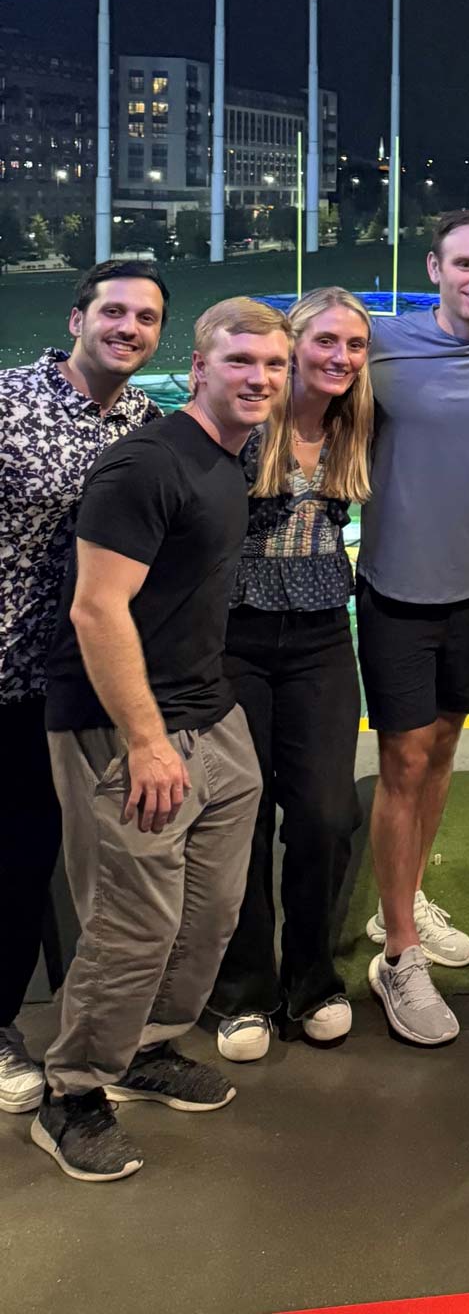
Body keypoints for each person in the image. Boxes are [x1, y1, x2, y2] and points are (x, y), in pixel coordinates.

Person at [32, 297, 289, 1182]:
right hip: (126, 728)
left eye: (273, 365)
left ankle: (144, 1048)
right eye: (240, 361)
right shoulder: (147, 464)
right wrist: (146, 741)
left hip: (211, 716)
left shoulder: (231, 457)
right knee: (132, 925)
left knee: (208, 916)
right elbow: (96, 609)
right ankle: (71, 1093)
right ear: (200, 366)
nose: (259, 378)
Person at [357, 210, 469, 1046]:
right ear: (433, 267)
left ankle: (404, 899)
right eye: (466, 263)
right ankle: (399, 953)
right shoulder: (378, 343)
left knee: (441, 752)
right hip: (395, 590)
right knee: (403, 763)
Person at [0, 262, 166, 1117]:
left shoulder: (148, 424)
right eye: (114, 311)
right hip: (7, 672)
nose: (128, 327)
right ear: (77, 319)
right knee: (11, 859)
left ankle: (96, 1034)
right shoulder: (9, 402)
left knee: (59, 860)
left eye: (146, 317)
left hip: (83, 683)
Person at [208, 289, 372, 1062]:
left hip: (319, 637)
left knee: (325, 814)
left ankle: (311, 978)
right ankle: (243, 991)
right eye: (324, 342)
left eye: (355, 344)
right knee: (242, 816)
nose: (340, 357)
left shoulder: (358, 422)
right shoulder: (244, 419)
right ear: (292, 346)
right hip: (233, 637)